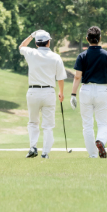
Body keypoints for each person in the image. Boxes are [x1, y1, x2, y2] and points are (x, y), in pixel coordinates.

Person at [70, 26, 107, 159]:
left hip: (86, 90)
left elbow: (77, 77)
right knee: (102, 122)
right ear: (100, 38)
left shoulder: (82, 56)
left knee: (87, 125)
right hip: (102, 90)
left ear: (87, 39)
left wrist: (73, 95)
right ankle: (101, 140)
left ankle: (93, 155)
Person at [19, 30, 67, 159]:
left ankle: (33, 147)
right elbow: (60, 78)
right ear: (49, 42)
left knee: (33, 122)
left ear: (36, 43)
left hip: (33, 92)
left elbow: (21, 47)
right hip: (49, 92)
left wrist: (31, 35)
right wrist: (61, 92)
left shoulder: (31, 53)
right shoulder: (56, 57)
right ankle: (45, 153)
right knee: (48, 126)